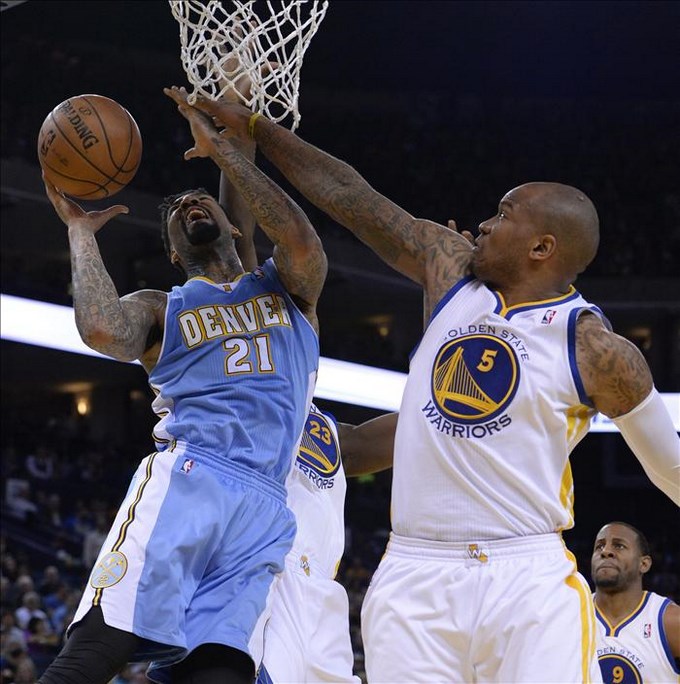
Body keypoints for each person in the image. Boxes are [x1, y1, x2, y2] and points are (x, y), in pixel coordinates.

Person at [174, 91, 680, 683]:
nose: (485, 223)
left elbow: (671, 469)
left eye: (504, 214)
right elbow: (350, 197)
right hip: (414, 572)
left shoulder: (597, 351)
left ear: (542, 248)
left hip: (525, 576)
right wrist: (257, 130)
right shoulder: (449, 271)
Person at [38, 87, 327, 684]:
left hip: (266, 505)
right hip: (191, 478)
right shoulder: (162, 306)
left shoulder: (287, 289)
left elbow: (301, 240)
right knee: (96, 652)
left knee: (217, 672)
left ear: (233, 225)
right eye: (175, 212)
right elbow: (101, 329)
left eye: (202, 200)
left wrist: (225, 155)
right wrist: (81, 233)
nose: (190, 205)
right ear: (173, 253)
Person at [202, 91, 396, 682]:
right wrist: (238, 150)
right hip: (260, 574)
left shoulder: (336, 437)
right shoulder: (249, 390)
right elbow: (236, 248)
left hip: (323, 600)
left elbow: (433, 419)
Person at [591, 522, 680, 683]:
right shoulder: (571, 615)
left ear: (644, 564)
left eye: (619, 546)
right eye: (599, 546)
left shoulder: (669, 621)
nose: (606, 551)